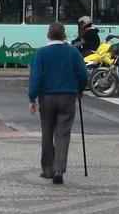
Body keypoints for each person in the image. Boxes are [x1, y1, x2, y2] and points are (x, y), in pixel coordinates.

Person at [28, 22, 88, 185]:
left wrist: (32, 98)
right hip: (67, 96)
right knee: (63, 133)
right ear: (64, 36)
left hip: (46, 97)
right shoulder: (72, 52)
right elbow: (83, 74)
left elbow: (36, 77)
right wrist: (80, 89)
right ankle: (59, 169)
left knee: (47, 132)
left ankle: (47, 169)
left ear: (48, 35)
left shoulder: (41, 53)